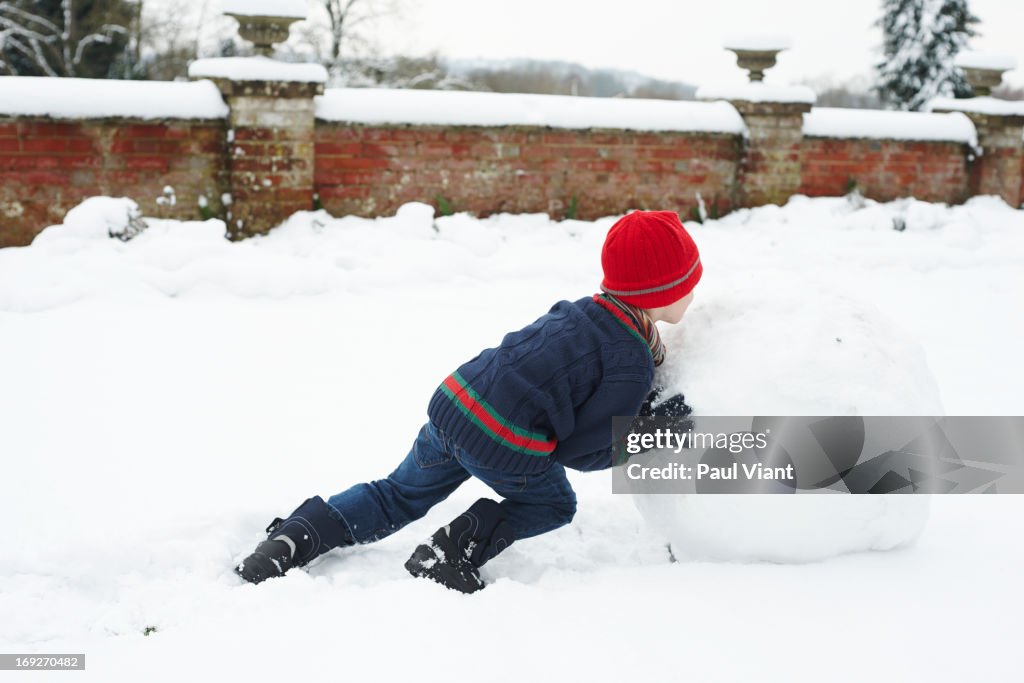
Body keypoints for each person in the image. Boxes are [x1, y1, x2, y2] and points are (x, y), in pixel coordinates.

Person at [234, 210, 702, 593]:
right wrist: (659, 431)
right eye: (689, 282)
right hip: (503, 438)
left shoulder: (583, 310)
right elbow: (581, 452)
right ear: (664, 291)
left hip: (456, 403)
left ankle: (295, 537)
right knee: (554, 504)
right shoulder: (630, 359)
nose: (695, 291)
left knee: (398, 493)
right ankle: (450, 554)